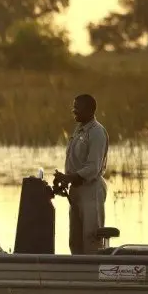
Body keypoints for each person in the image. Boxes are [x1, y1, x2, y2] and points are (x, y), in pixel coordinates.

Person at [54, 94, 108, 254]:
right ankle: (77, 275)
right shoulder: (79, 130)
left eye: (78, 107)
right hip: (76, 191)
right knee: (75, 239)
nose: (74, 110)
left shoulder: (97, 132)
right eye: (74, 106)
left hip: (91, 190)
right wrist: (64, 181)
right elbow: (75, 163)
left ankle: (94, 276)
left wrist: (69, 177)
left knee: (91, 238)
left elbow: (93, 167)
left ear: (90, 110)